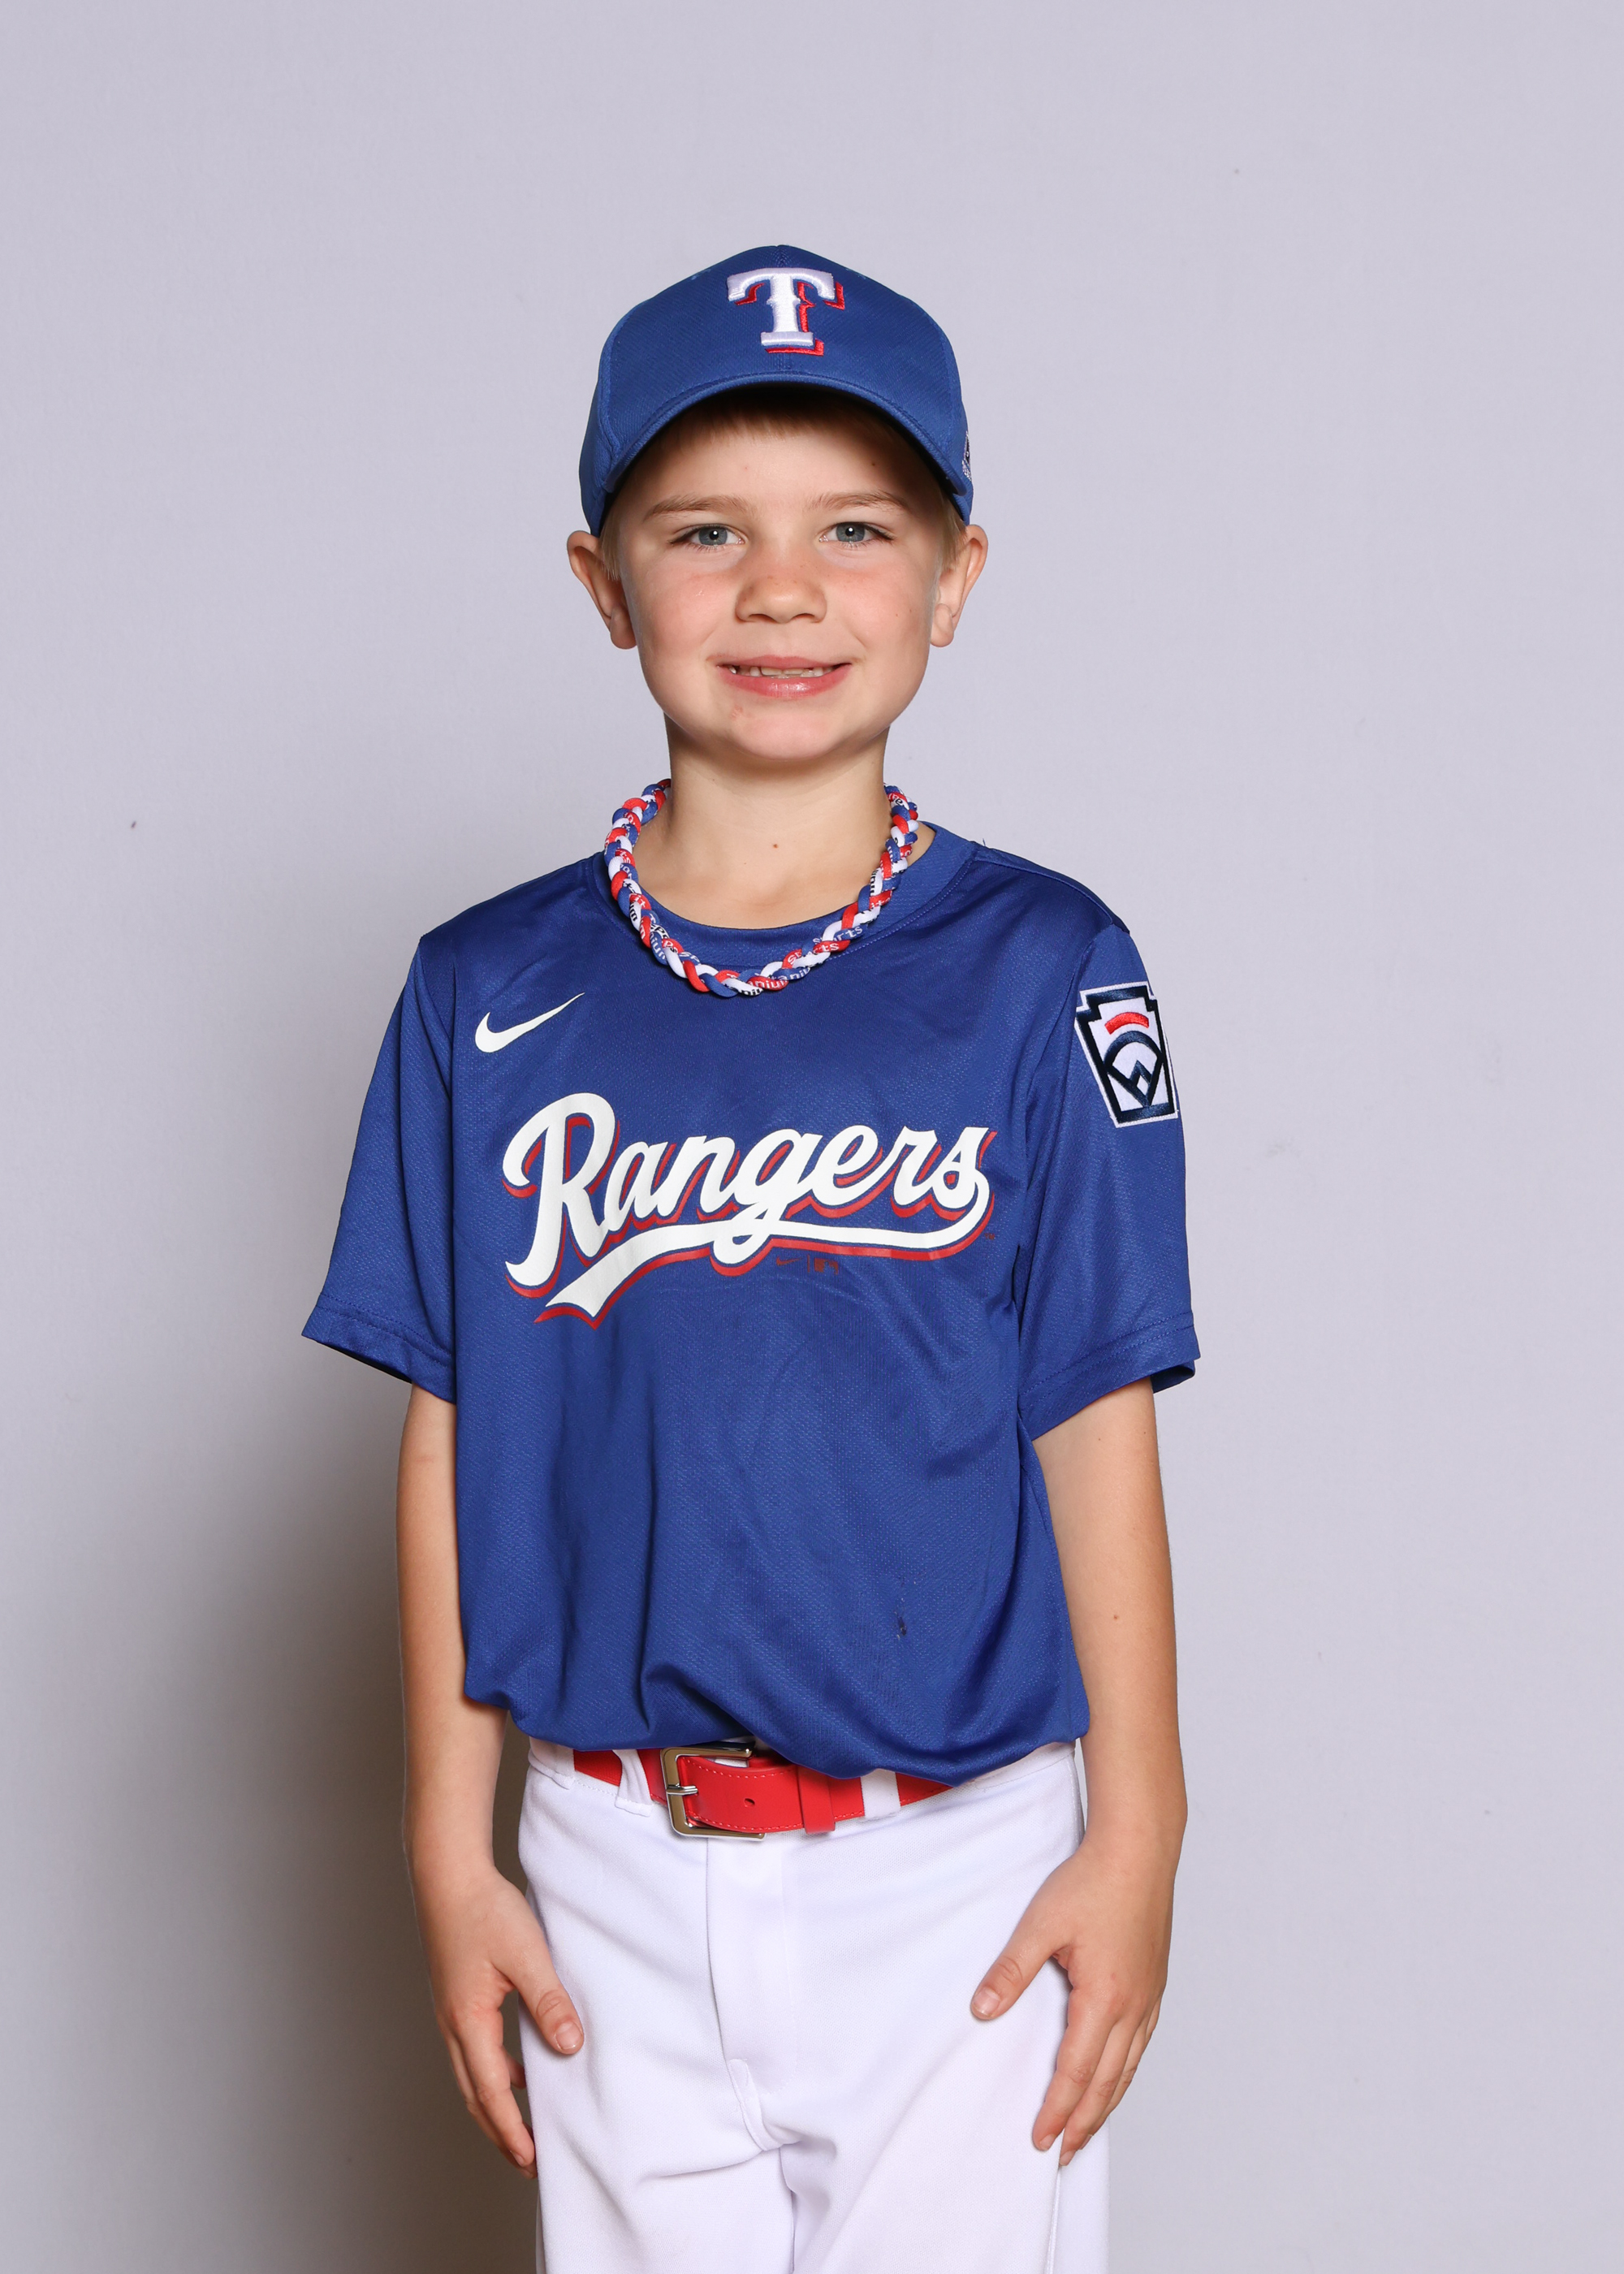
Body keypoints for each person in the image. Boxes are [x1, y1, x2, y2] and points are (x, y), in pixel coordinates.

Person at [305, 244, 1199, 2273]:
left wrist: (1140, 1824)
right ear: (602, 581)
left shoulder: (1046, 965)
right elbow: (451, 1431)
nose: (780, 588)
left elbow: (1094, 1403)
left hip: (956, 1858)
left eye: (854, 529)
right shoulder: (483, 989)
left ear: (956, 576)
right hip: (609, 1845)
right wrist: (449, 1839)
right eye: (704, 530)